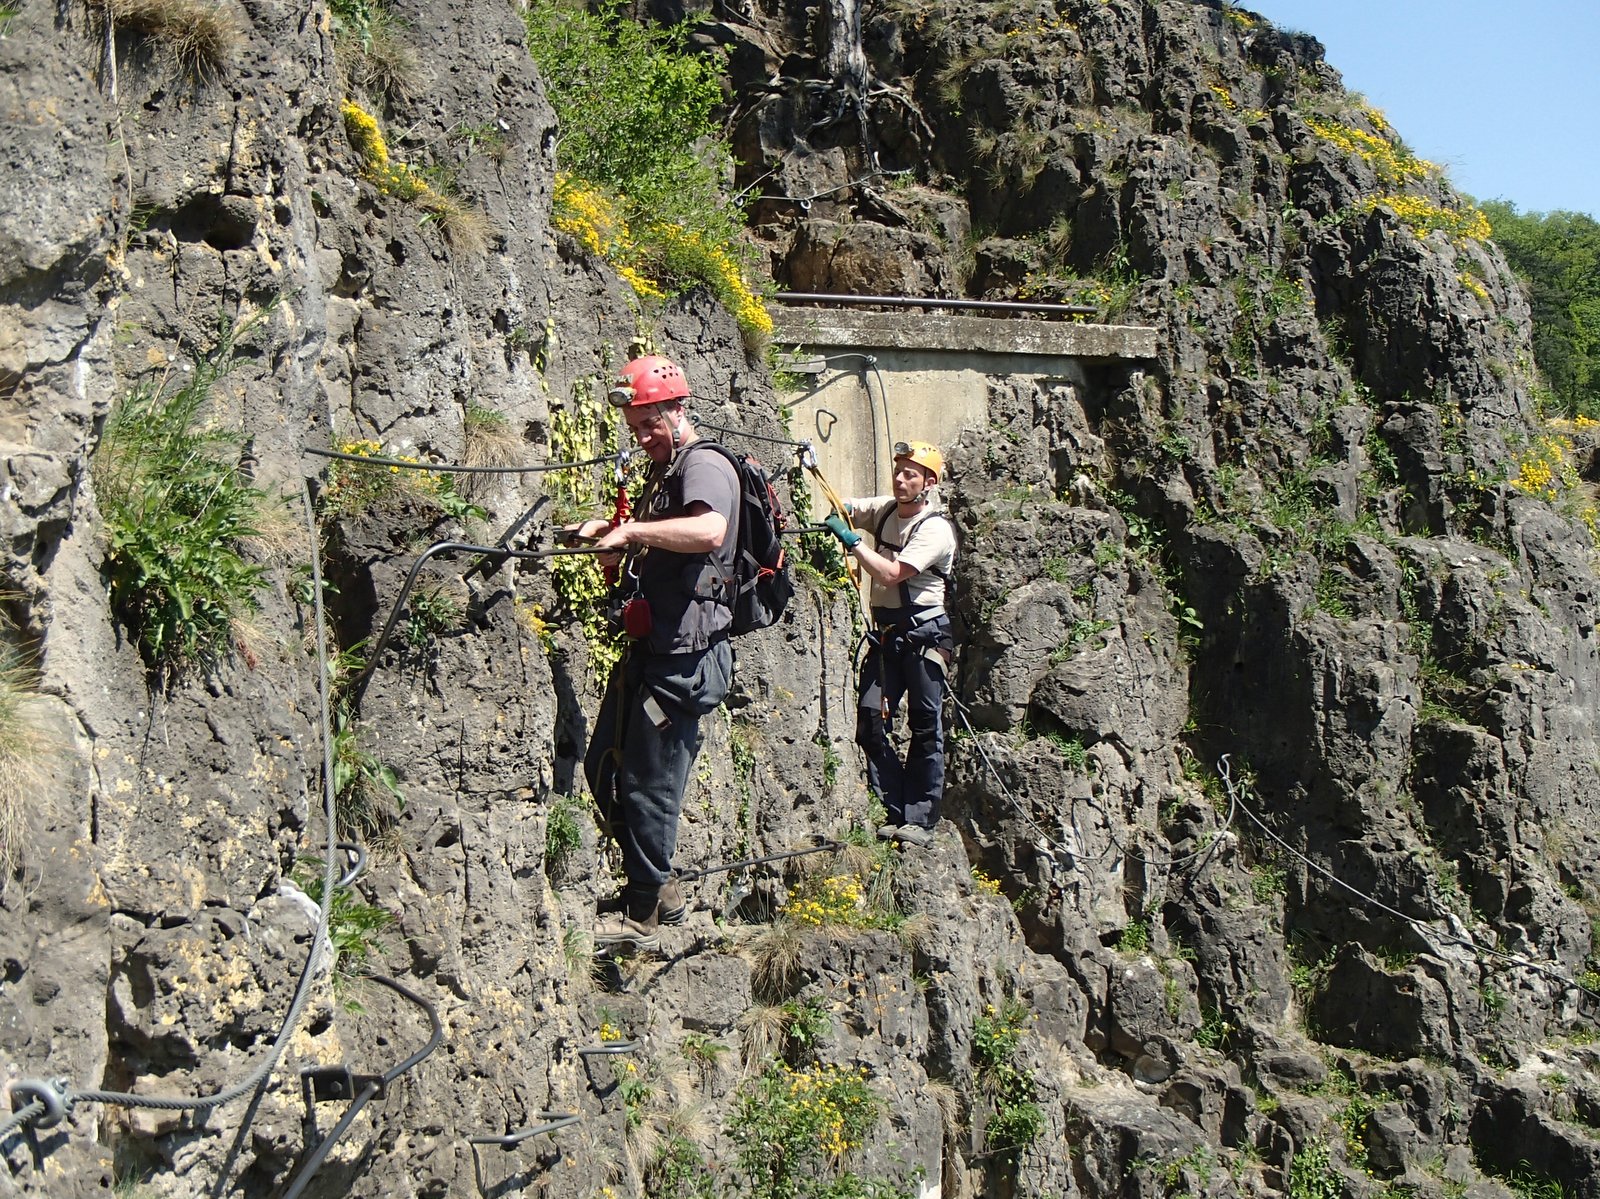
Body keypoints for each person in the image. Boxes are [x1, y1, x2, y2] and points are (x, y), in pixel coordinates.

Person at [572, 355, 740, 950]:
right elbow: (665, 540)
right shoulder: (665, 472)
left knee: (651, 782)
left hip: (684, 662)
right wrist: (610, 532)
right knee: (603, 764)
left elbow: (710, 531)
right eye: (635, 427)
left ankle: (641, 912)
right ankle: (659, 884)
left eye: (650, 424)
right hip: (655, 649)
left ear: (678, 410)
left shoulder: (705, 465)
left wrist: (635, 532)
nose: (642, 437)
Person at [822, 441, 957, 849]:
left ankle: (920, 819)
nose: (900, 479)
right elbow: (845, 506)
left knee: (925, 725)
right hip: (888, 637)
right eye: (898, 471)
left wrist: (852, 541)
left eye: (910, 474)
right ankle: (895, 809)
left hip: (924, 635)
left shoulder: (934, 529)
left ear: (928, 483)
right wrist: (837, 512)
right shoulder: (884, 510)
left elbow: (893, 573)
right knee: (870, 720)